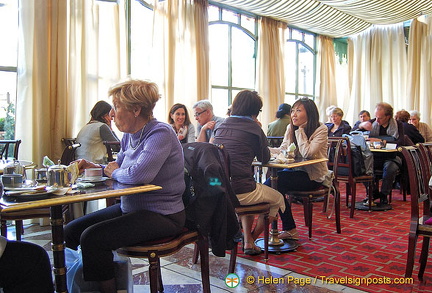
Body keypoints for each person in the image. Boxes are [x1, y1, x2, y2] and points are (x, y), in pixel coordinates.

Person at [64, 79, 185, 293]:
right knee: (71, 231)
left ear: (136, 109)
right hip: (132, 208)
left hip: (163, 214)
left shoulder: (161, 133)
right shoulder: (129, 136)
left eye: (117, 106)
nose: (112, 113)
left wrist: (114, 171)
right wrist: (95, 167)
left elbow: (139, 175)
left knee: (93, 238)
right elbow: (118, 166)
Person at [213, 90, 286, 255]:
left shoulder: (220, 125)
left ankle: (248, 241)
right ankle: (250, 240)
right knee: (278, 199)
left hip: (217, 188)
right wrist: (259, 130)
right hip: (240, 190)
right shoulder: (253, 128)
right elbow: (264, 158)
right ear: (255, 111)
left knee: (251, 193)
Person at [266, 98, 328, 240]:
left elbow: (308, 153)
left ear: (310, 113)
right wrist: (265, 149)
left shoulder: (320, 129)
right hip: (293, 172)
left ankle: (288, 228)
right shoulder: (290, 127)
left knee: (273, 185)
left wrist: (300, 131)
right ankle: (289, 229)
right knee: (274, 185)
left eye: (298, 111)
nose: (293, 114)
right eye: (292, 111)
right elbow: (283, 150)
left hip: (312, 177)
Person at [359, 102, 405, 205]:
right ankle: (373, 192)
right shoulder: (373, 122)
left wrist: (380, 141)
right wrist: (362, 124)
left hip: (392, 156)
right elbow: (355, 131)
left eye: (379, 118)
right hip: (375, 157)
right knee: (361, 167)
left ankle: (384, 194)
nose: (376, 120)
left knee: (390, 168)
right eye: (375, 117)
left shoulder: (398, 125)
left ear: (388, 117)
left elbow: (401, 142)